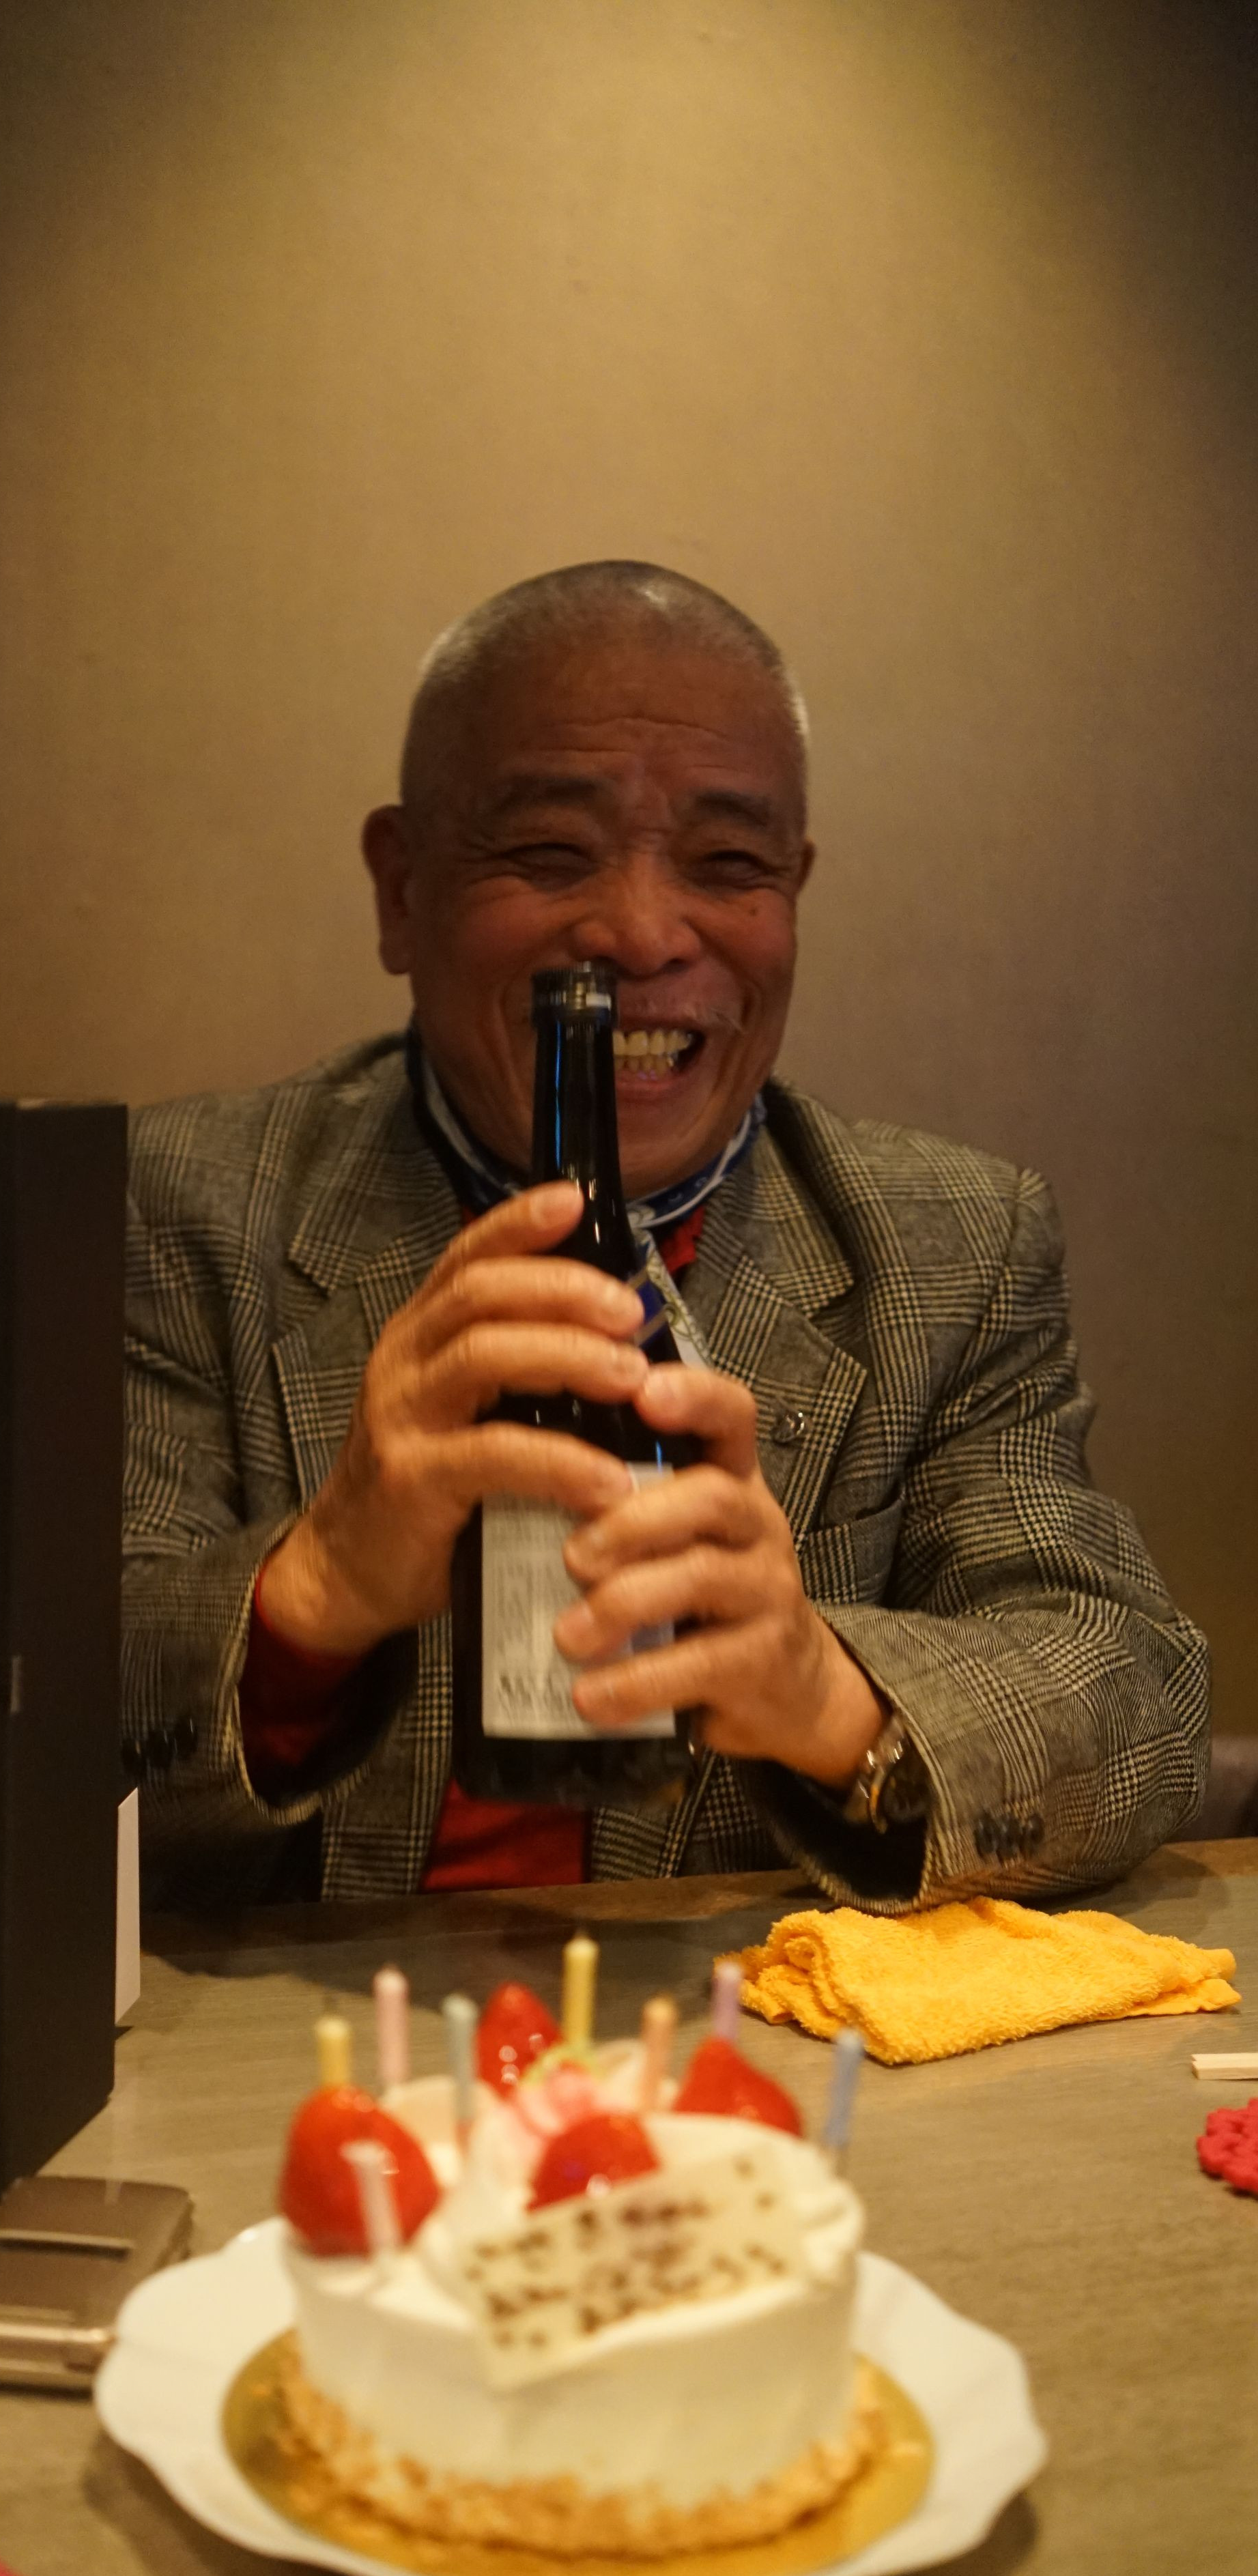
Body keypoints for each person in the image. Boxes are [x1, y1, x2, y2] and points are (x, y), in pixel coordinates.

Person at [121, 561, 1207, 1907]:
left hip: (728, 2031)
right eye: (548, 852)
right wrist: (317, 1588)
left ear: (792, 894)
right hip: (311, 2030)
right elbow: (22, 1723)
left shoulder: (952, 1246)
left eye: (728, 864)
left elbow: (1130, 1693)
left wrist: (825, 1691)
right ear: (402, 891)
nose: (638, 934)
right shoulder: (178, 1211)